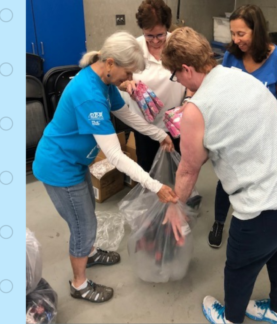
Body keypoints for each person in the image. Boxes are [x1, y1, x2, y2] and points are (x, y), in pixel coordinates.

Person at [160, 27, 277, 324]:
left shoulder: (197, 109)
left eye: (175, 75)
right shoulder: (240, 77)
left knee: (239, 266)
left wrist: (175, 207)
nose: (178, 82)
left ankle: (230, 319)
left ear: (186, 69)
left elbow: (189, 168)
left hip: (262, 206)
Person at [32, 32, 179, 303]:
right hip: (59, 166)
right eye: (128, 73)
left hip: (75, 163)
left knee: (87, 212)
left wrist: (159, 135)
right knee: (82, 226)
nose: (129, 80)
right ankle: (79, 284)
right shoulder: (89, 94)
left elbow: (128, 115)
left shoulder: (104, 81)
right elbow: (115, 156)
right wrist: (155, 185)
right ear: (110, 63)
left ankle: (89, 253)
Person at [208, 4, 277, 249]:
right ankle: (218, 222)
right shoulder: (231, 55)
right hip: (233, 133)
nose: (236, 40)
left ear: (257, 31)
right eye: (233, 34)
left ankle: (259, 226)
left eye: (241, 34)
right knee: (226, 179)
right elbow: (221, 90)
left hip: (263, 137)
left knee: (258, 180)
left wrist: (262, 121)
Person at [118, 0, 191, 172]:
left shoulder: (180, 44)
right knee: (148, 166)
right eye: (149, 35)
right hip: (145, 124)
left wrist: (188, 101)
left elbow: (193, 76)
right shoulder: (133, 48)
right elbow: (120, 79)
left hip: (177, 119)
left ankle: (179, 197)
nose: (156, 41)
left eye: (160, 35)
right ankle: (151, 198)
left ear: (167, 27)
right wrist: (127, 84)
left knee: (180, 166)